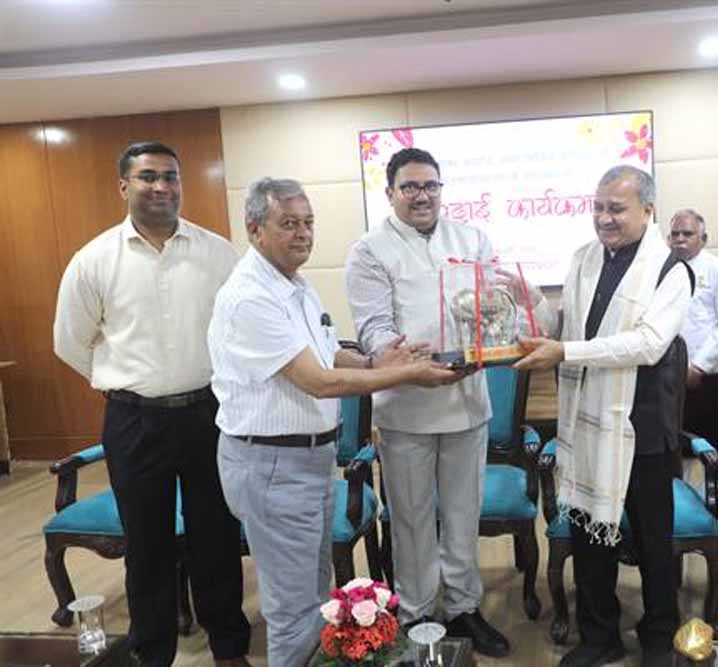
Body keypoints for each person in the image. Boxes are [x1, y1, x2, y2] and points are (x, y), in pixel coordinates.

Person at [208, 177, 458, 667]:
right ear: (255, 229)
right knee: (294, 610)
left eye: (308, 222)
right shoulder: (250, 296)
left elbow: (327, 353)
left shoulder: (293, 285)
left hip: (307, 459)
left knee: (313, 594)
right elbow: (318, 381)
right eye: (288, 224)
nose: (303, 233)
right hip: (272, 464)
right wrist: (405, 374)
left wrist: (377, 362)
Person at [53, 141, 251, 667]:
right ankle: (153, 652)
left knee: (216, 535)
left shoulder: (217, 253)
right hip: (134, 421)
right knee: (146, 544)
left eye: (170, 176)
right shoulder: (94, 259)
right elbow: (70, 342)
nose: (161, 186)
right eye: (148, 177)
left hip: (208, 414)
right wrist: (126, 381)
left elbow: (240, 328)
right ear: (124, 186)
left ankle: (230, 648)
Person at [513, 165, 693, 667]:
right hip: (586, 421)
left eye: (616, 208)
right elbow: (566, 327)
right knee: (590, 534)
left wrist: (566, 352)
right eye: (597, 207)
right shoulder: (584, 257)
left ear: (648, 210)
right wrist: (529, 300)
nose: (604, 218)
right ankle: (599, 635)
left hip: (643, 427)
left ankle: (659, 637)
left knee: (653, 540)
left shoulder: (671, 268)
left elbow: (649, 344)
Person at [345, 148, 511, 657]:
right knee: (412, 519)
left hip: (466, 400)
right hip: (406, 405)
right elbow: (373, 327)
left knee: (463, 514)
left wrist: (490, 341)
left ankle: (463, 607)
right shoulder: (370, 250)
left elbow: (494, 306)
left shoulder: (472, 239)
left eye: (431, 186)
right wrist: (403, 360)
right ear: (390, 192)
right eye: (411, 186)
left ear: (441, 189)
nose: (422, 196)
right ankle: (416, 612)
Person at [667, 208, 718, 449]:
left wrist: (699, 365)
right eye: (675, 234)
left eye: (687, 234)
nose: (680, 239)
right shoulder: (662, 270)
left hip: (707, 378)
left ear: (704, 238)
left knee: (710, 447)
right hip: (669, 376)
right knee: (676, 447)